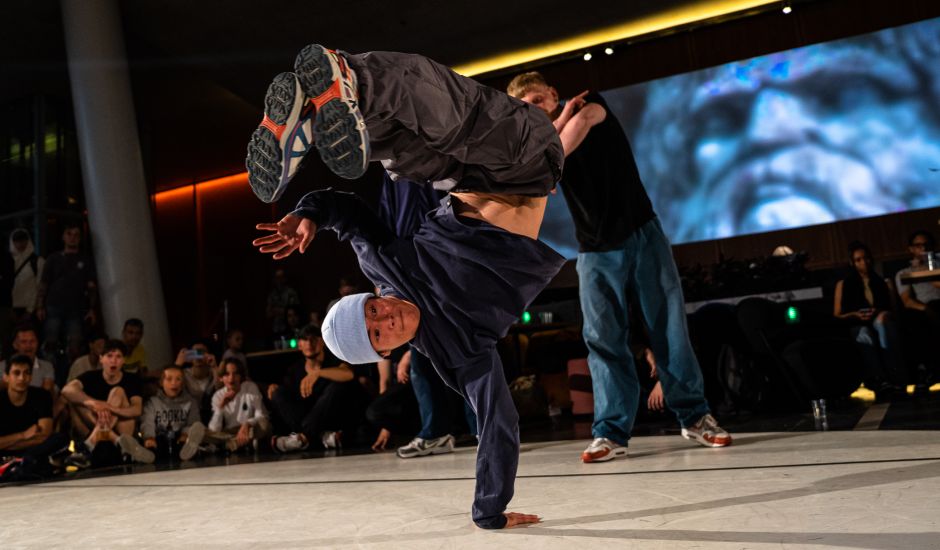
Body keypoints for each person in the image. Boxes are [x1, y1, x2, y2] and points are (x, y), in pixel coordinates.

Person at [249, 43, 564, 529]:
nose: (387, 316)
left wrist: (307, 213)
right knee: (455, 118)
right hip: (529, 161)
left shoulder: (386, 272)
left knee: (401, 155)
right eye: (379, 333)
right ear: (386, 351)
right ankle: (344, 93)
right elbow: (497, 420)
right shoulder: (455, 351)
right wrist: (489, 510)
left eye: (373, 310)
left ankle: (336, 98)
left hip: (463, 175)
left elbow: (348, 214)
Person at [508, 72, 731, 463]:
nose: (536, 110)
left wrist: (549, 156)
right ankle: (610, 433)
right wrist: (550, 142)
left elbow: (580, 124)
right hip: (595, 250)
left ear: (554, 94)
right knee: (603, 338)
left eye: (539, 100)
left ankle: (695, 416)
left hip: (642, 233)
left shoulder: (590, 103)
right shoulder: (541, 146)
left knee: (668, 328)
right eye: (526, 108)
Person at [268, 324, 359, 452]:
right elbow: (289, 401)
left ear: (322, 342)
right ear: (299, 345)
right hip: (308, 417)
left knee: (338, 386)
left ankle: (303, 439)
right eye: (305, 340)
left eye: (313, 339)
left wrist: (318, 373)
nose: (309, 343)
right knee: (277, 393)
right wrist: (274, 388)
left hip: (331, 417)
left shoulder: (333, 360)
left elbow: (348, 374)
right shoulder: (295, 369)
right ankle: (320, 437)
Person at [61, 339, 153, 464]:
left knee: (118, 391)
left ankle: (89, 445)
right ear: (101, 359)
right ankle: (115, 440)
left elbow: (137, 410)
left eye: (118, 357)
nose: (113, 360)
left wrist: (108, 408)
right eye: (109, 356)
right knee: (75, 399)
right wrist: (93, 403)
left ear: (123, 360)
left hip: (123, 430)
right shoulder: (91, 376)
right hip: (94, 426)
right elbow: (66, 390)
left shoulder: (132, 379)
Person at [834, 241, 904, 391]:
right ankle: (879, 378)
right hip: (856, 322)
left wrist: (880, 312)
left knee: (883, 323)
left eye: (866, 258)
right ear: (852, 263)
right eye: (858, 260)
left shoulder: (883, 282)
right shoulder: (843, 284)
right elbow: (837, 315)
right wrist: (854, 314)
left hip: (880, 319)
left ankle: (895, 375)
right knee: (864, 333)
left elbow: (894, 311)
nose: (864, 263)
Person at [35, 224, 98, 363]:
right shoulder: (54, 258)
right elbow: (44, 283)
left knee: (74, 345)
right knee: (50, 342)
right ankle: (50, 370)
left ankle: (72, 371)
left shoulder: (85, 260)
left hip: (76, 307)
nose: (72, 238)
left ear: (80, 239)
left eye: (76, 235)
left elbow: (91, 286)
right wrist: (40, 305)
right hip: (54, 305)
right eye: (69, 234)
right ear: (63, 237)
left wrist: (91, 308)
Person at [0, 354, 70, 467]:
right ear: (6, 377)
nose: (22, 378)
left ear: (31, 376)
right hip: (5, 455)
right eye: (16, 373)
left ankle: (22, 461)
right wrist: (23, 435)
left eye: (26, 373)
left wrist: (7, 443)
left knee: (60, 439)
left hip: (33, 450)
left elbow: (44, 436)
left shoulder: (42, 396)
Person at [141, 365, 206, 461]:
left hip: (181, 439)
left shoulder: (190, 402)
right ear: (161, 382)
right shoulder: (152, 402)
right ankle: (146, 455)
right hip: (160, 440)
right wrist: (149, 437)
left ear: (183, 383)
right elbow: (147, 422)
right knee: (154, 444)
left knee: (191, 434)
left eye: (178, 379)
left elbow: (193, 422)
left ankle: (190, 450)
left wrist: (185, 434)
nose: (174, 383)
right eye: (169, 379)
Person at [206, 358, 271, 452]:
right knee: (211, 433)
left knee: (264, 425)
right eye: (227, 374)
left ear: (240, 376)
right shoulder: (217, 396)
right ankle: (240, 443)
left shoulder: (250, 387)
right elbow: (214, 429)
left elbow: (261, 415)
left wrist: (247, 424)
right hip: (231, 432)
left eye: (235, 374)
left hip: (250, 429)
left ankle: (229, 445)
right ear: (221, 378)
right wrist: (221, 407)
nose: (231, 378)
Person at [0, 327, 56, 395]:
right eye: (23, 342)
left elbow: (46, 393)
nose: (28, 345)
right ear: (15, 345)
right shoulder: (2, 366)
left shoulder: (47, 366)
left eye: (32, 341)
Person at [9, 229, 44, 327]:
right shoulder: (6, 261)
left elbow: (39, 286)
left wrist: (30, 310)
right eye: (17, 240)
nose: (20, 243)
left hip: (30, 309)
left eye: (23, 240)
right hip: (9, 309)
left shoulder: (38, 261)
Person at [266, 268, 300, 338]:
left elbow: (293, 310)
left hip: (290, 328)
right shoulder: (272, 295)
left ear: (285, 278)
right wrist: (281, 310)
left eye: (281, 277)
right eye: (277, 278)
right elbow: (268, 313)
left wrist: (277, 310)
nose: (279, 280)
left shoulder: (291, 293)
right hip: (276, 329)